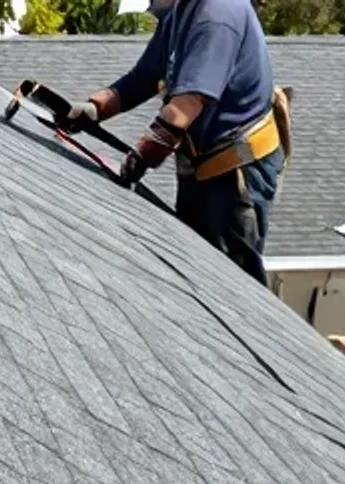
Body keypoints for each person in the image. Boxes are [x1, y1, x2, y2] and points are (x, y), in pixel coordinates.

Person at [61, 0, 290, 284]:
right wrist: (97, 107)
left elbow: (186, 106)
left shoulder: (217, 15)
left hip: (235, 172)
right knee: (195, 268)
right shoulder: (180, 11)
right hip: (203, 164)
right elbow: (143, 78)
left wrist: (141, 157)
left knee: (231, 283)